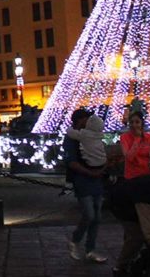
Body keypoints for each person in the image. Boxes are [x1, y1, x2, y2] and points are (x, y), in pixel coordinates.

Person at [64, 109, 107, 263]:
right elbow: (72, 162)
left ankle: (91, 249)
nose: (88, 121)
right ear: (79, 120)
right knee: (89, 214)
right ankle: (75, 240)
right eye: (86, 118)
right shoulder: (72, 138)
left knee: (97, 216)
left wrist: (102, 166)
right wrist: (91, 172)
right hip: (82, 180)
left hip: (95, 179)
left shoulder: (91, 135)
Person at [113, 171, 150, 271]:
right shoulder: (147, 198)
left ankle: (133, 261)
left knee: (145, 232)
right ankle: (121, 267)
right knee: (136, 236)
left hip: (131, 195)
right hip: (121, 204)